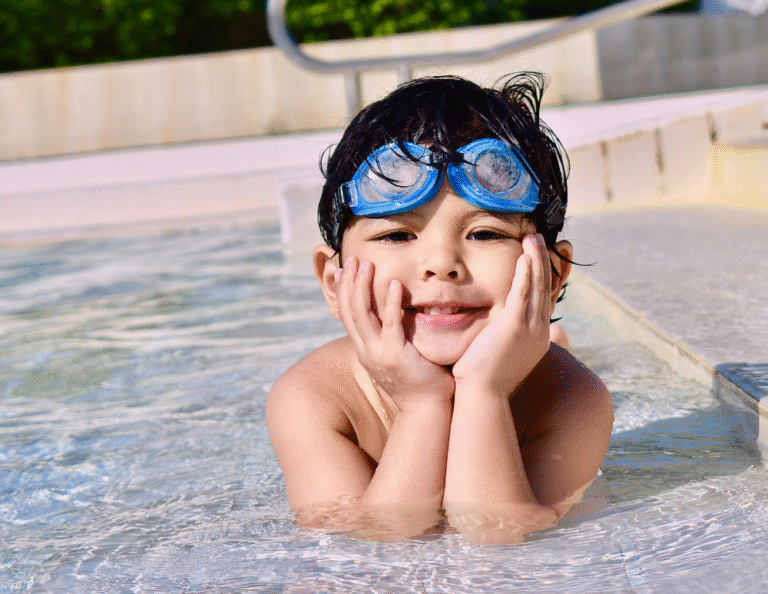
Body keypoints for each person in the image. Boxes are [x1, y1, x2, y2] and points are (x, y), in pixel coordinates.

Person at [267, 73, 613, 543]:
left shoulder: (572, 397)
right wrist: (423, 404)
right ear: (333, 281)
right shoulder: (314, 397)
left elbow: (499, 536)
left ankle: (552, 339)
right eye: (396, 235)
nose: (441, 264)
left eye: (485, 233)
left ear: (552, 276)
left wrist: (485, 390)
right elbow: (367, 548)